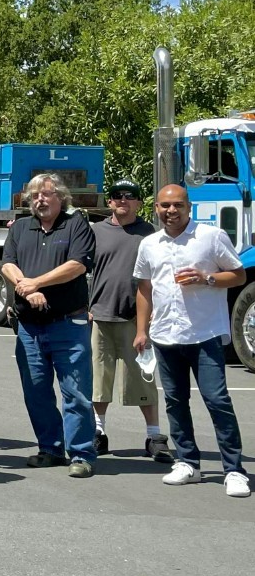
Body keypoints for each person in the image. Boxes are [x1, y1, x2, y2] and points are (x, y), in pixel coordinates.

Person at [133, 185, 249, 496]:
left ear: (189, 207)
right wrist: (142, 330)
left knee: (217, 401)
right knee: (175, 402)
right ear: (155, 208)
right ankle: (188, 463)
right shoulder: (149, 244)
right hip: (165, 335)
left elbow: (238, 275)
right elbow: (145, 289)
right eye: (165, 206)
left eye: (178, 205)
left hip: (205, 334)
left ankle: (234, 470)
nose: (171, 211)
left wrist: (206, 278)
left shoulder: (210, 237)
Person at [0, 172, 98, 477]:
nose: (40, 200)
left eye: (47, 194)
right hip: (29, 326)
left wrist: (36, 283)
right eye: (35, 195)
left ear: (61, 197)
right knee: (36, 391)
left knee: (76, 392)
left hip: (68, 323)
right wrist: (25, 286)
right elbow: (7, 263)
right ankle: (50, 448)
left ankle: (81, 454)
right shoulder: (20, 228)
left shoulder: (75, 224)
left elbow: (78, 265)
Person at [88, 180, 172, 462]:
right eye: (117, 196)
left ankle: (154, 436)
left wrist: (149, 321)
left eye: (130, 196)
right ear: (109, 202)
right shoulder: (94, 232)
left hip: (137, 320)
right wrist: (84, 306)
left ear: (139, 202)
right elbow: (80, 269)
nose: (123, 200)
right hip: (99, 316)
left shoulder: (150, 234)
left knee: (143, 379)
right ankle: (98, 433)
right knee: (99, 380)